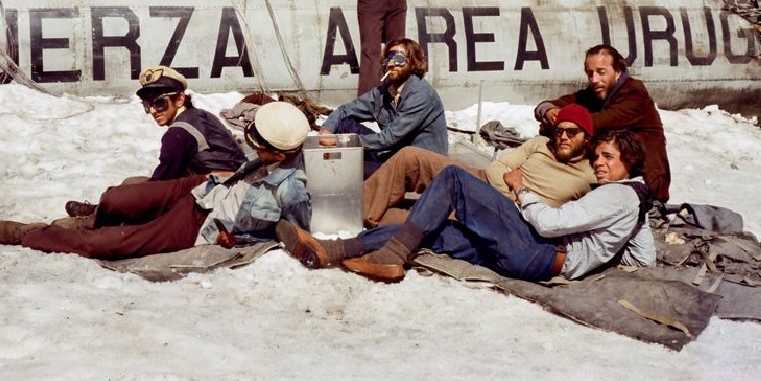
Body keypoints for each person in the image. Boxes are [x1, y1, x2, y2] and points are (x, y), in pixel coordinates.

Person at [277, 129, 655, 284]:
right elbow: (645, 259)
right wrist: (605, 256)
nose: (600, 163)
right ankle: (335, 250)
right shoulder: (633, 201)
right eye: (600, 156)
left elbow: (551, 224)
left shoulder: (616, 195)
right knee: (435, 230)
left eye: (608, 157)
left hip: (539, 246)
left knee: (455, 180)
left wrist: (522, 191)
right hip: (532, 260)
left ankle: (390, 255)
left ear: (630, 164)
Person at [0, 102, 313, 260]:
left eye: (258, 144)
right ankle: (92, 219)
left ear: (280, 153)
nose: (251, 144)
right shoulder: (271, 156)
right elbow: (243, 177)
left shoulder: (293, 188)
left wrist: (237, 240)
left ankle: (31, 234)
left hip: (202, 222)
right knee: (118, 198)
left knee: (111, 245)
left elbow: (289, 233)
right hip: (204, 187)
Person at [361, 103, 598, 228]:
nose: (563, 137)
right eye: (560, 131)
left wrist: (516, 194)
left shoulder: (590, 175)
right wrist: (512, 190)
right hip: (484, 180)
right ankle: (355, 213)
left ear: (586, 137)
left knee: (419, 218)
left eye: (572, 131)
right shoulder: (540, 144)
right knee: (410, 157)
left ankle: (369, 219)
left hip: (503, 212)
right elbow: (498, 166)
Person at [62, 65, 247, 217]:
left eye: (159, 103)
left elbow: (160, 186)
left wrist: (124, 197)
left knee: (129, 193)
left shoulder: (178, 133)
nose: (152, 111)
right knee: (131, 183)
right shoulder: (201, 115)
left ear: (180, 99)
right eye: (147, 105)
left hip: (213, 197)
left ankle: (97, 213)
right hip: (231, 188)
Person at [533, 44, 671, 202]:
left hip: (644, 184)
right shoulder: (596, 93)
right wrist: (548, 111)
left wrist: (559, 123)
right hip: (610, 175)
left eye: (601, 72)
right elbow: (550, 104)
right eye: (590, 73)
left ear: (618, 72)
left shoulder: (635, 95)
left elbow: (594, 123)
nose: (594, 80)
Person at [319, 38, 447, 179]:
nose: (391, 64)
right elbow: (345, 110)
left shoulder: (421, 94)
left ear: (413, 62)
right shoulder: (384, 92)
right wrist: (327, 131)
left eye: (399, 58)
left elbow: (389, 138)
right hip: (396, 154)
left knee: (352, 168)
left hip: (422, 167)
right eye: (388, 59)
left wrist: (342, 142)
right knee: (343, 124)